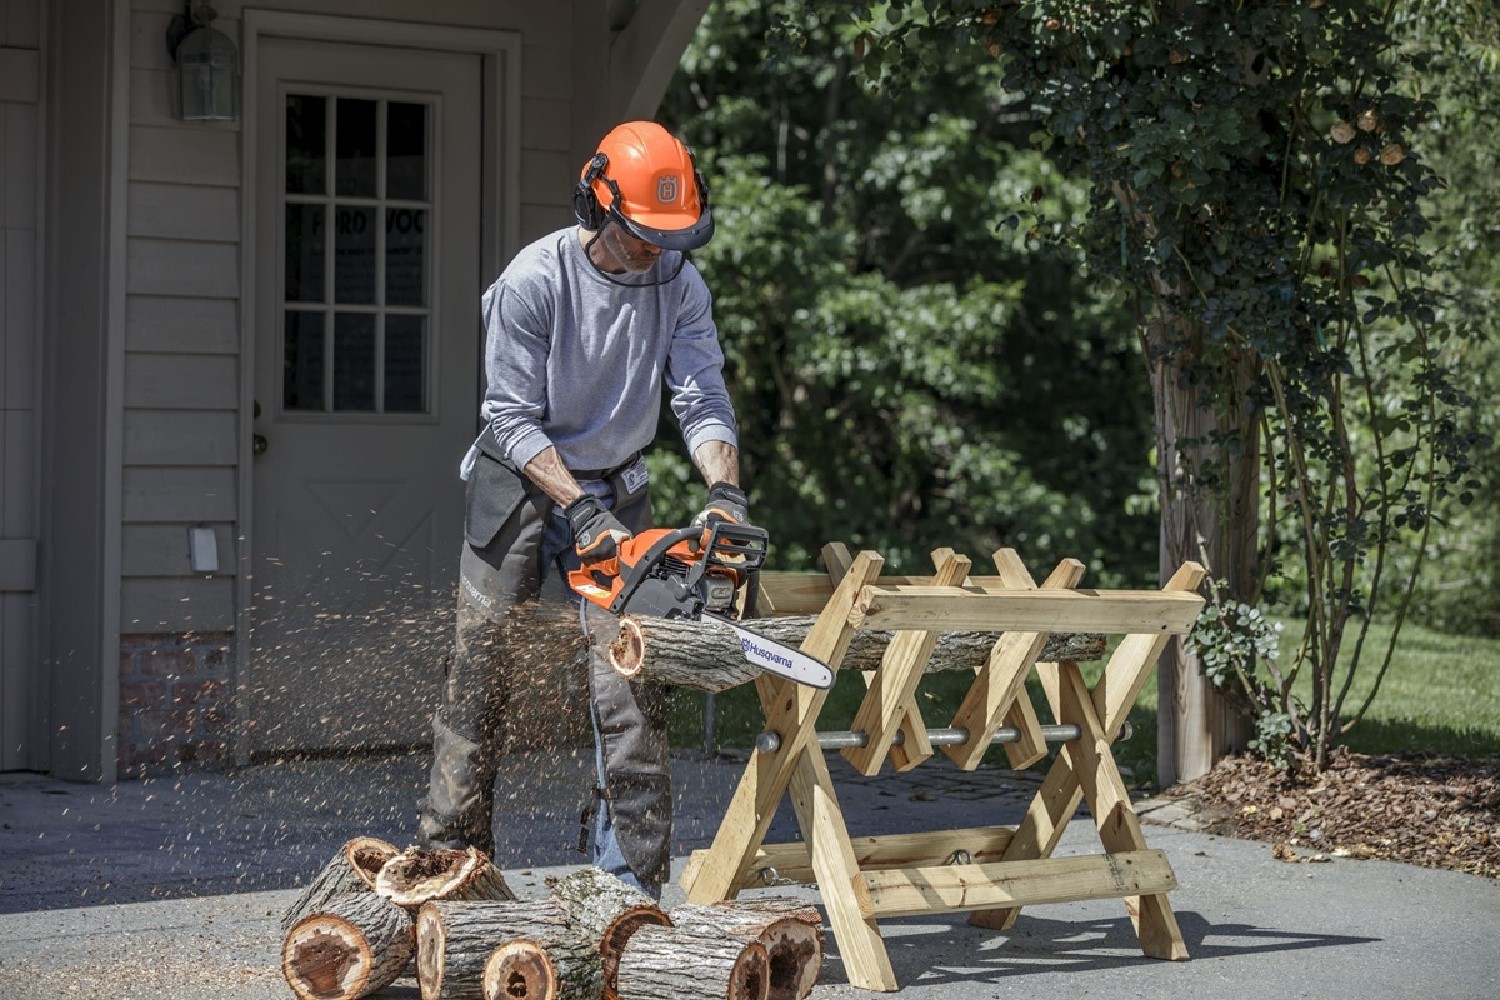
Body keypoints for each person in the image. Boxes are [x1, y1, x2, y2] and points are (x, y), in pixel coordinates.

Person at [416, 121, 750, 899]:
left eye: (670, 236)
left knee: (633, 677)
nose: (656, 252)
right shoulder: (534, 281)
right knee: (479, 670)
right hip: (522, 481)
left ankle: (626, 887)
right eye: (642, 235)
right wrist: (579, 508)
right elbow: (509, 416)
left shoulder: (679, 280)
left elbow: (700, 396)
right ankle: (452, 866)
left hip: (620, 482)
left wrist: (723, 490)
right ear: (598, 203)